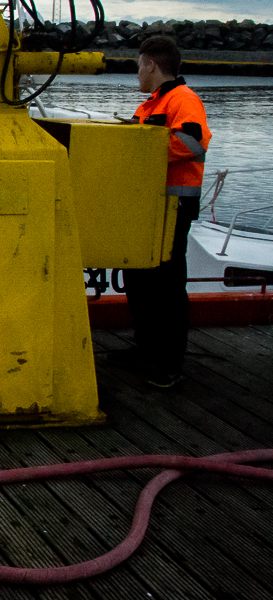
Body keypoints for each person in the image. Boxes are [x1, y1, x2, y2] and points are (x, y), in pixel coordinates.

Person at [119, 35, 211, 388]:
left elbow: (191, 141)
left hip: (173, 204)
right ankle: (146, 348)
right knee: (140, 277)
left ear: (152, 64)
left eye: (139, 65)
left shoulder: (183, 100)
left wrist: (140, 147)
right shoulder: (152, 105)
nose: (137, 73)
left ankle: (169, 362)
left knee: (168, 284)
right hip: (149, 204)